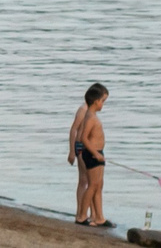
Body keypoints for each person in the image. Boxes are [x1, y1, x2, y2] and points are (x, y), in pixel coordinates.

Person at [69, 84, 109, 227]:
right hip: (92, 154)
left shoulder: (92, 115)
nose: (103, 104)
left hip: (97, 153)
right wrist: (95, 154)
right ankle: (81, 216)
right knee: (91, 185)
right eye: (102, 101)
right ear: (96, 101)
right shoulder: (89, 116)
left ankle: (99, 217)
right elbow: (84, 139)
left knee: (98, 185)